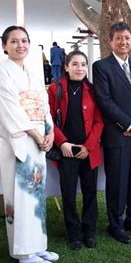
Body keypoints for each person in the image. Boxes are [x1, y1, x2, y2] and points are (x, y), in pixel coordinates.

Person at [0, 26, 58, 263]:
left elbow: (44, 105)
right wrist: (35, 133)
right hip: (18, 141)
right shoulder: (1, 74)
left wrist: (49, 131)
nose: (20, 45)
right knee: (19, 196)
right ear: (4, 46)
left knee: (36, 196)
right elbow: (11, 111)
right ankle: (23, 254)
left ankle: (38, 245)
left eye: (24, 41)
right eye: (14, 41)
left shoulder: (32, 72)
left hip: (38, 138)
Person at [92, 22, 131, 244]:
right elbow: (104, 101)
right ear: (110, 41)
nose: (124, 42)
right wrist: (128, 124)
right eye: (119, 38)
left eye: (127, 38)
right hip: (117, 134)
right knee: (117, 181)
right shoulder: (101, 67)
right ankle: (115, 224)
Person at [47, 50, 104, 250]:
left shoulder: (93, 90)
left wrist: (88, 146)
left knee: (90, 193)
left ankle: (89, 232)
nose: (79, 68)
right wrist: (62, 143)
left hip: (88, 151)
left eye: (83, 64)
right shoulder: (55, 89)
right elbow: (49, 120)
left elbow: (99, 121)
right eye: (75, 64)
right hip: (66, 151)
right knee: (69, 194)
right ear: (66, 67)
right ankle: (74, 234)